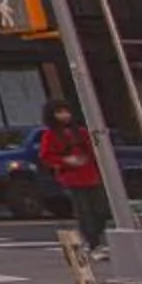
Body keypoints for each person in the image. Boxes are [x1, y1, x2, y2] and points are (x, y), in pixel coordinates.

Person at [39, 101, 110, 256]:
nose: (64, 115)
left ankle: (94, 238)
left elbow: (94, 150)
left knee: (101, 209)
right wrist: (65, 161)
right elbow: (46, 157)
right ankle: (93, 243)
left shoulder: (82, 132)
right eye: (60, 112)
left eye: (66, 111)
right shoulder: (50, 135)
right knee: (84, 211)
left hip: (91, 175)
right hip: (72, 177)